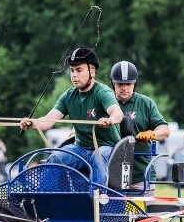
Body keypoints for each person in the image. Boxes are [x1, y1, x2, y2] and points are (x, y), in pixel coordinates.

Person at [20, 46, 123, 184]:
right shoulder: (68, 97)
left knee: (97, 157)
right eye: (72, 70)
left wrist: (110, 120)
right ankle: (45, 195)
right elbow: (48, 121)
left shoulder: (102, 92)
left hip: (108, 148)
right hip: (81, 148)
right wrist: (32, 123)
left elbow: (117, 113)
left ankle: (97, 195)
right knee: (56, 157)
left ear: (92, 71)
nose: (74, 75)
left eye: (79, 70)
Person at [110, 60, 169, 194]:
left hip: (141, 176)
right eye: (120, 84)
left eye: (128, 84)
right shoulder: (105, 102)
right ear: (113, 84)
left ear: (135, 84)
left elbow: (165, 130)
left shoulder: (146, 103)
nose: (124, 88)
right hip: (111, 176)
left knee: (145, 209)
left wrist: (151, 134)